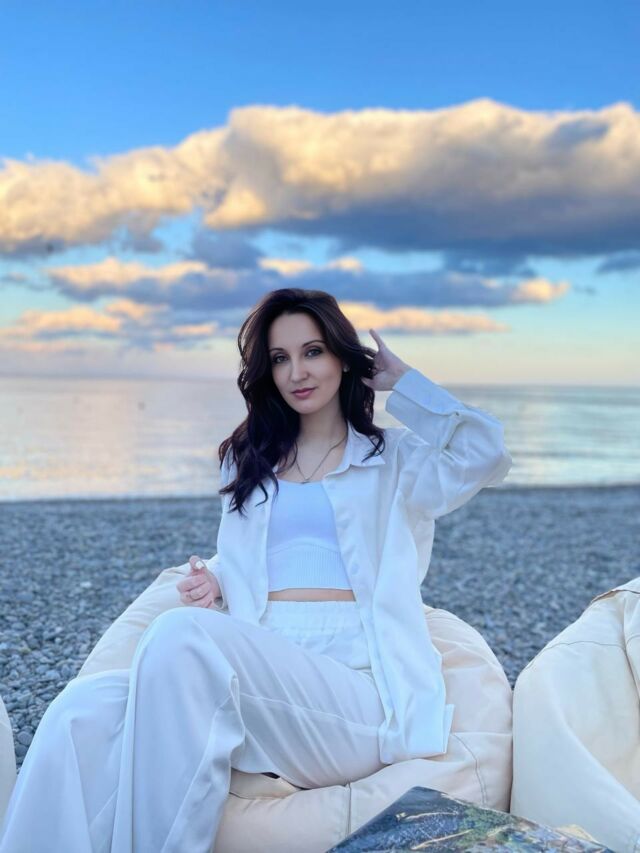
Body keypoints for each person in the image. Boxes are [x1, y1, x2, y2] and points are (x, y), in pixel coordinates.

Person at [0, 287, 512, 852]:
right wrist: (220, 578)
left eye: (313, 351)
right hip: (263, 674)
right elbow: (267, 555)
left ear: (344, 358)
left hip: (358, 692)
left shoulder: (393, 459)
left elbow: (484, 454)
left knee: (178, 634)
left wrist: (403, 382)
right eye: (280, 358)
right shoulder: (247, 462)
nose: (297, 372)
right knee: (78, 711)